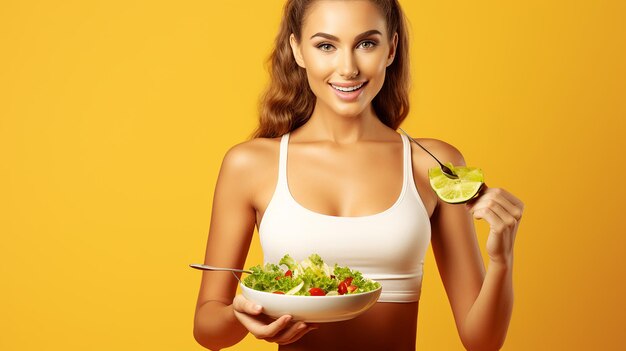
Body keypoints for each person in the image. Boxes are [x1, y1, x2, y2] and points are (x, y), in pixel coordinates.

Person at [193, 0, 524, 350]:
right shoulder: (250, 164)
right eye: (326, 46)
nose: (348, 68)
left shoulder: (432, 165)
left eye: (366, 43)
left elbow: (481, 342)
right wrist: (241, 315)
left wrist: (502, 260)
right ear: (298, 50)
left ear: (391, 48)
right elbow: (208, 329)